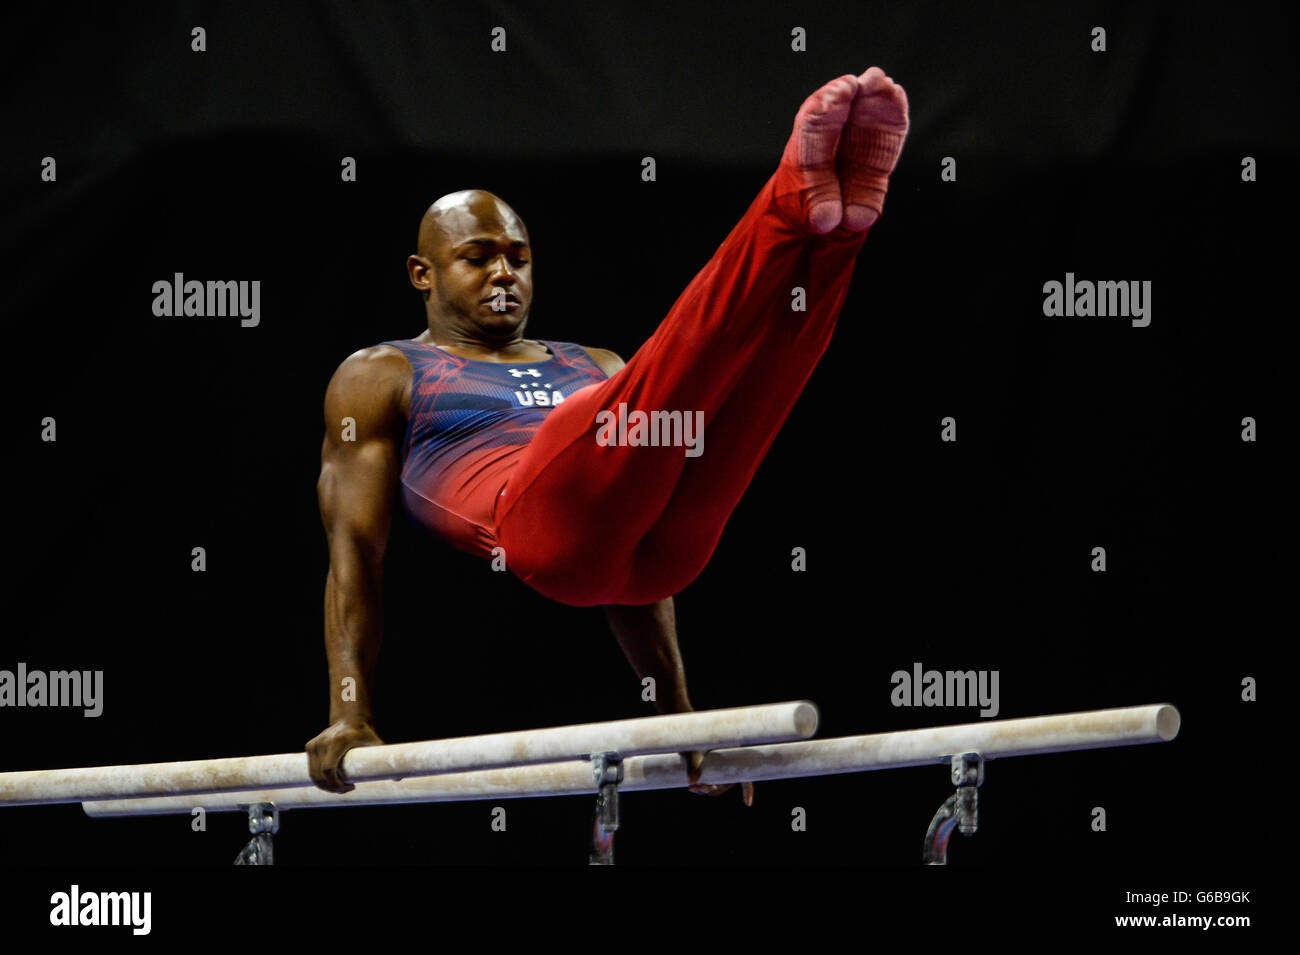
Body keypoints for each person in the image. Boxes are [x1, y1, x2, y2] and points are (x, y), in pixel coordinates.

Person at [306, 67, 909, 803]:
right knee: (673, 371)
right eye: (478, 256)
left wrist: (676, 719)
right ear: (421, 274)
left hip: (654, 556)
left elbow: (625, 526)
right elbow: (354, 556)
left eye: (519, 257)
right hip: (536, 534)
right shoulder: (384, 373)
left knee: (754, 389)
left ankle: (839, 229)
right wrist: (349, 712)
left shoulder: (590, 363)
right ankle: (790, 200)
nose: (504, 272)